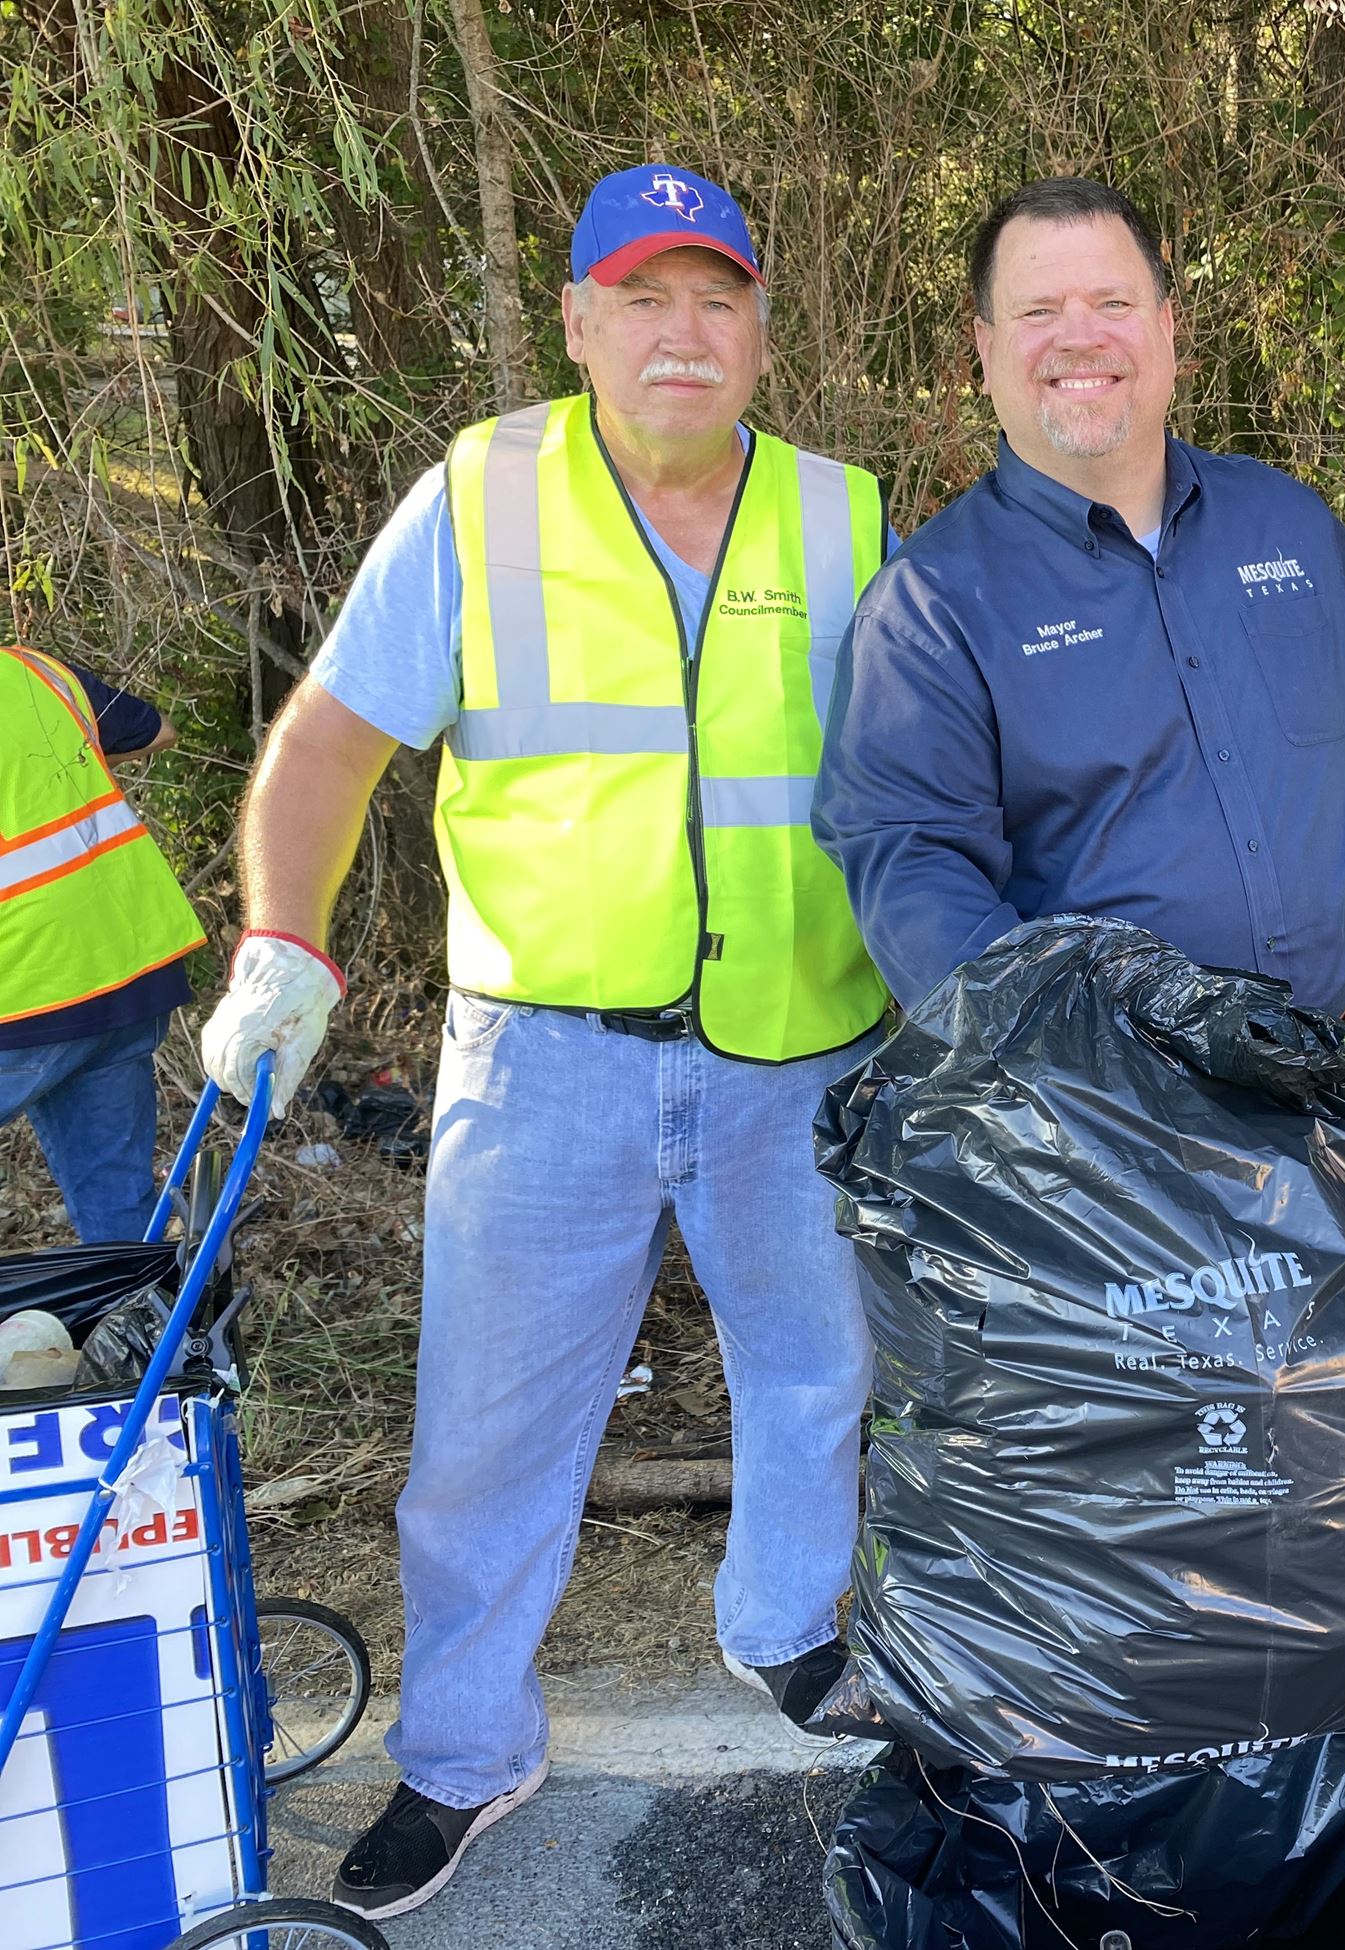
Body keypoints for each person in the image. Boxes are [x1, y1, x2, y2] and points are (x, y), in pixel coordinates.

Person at [196, 164, 890, 1920]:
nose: (683, 333)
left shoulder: (845, 517)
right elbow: (329, 741)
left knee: (815, 1373)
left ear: (760, 329)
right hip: (544, 1058)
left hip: (797, 1046)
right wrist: (282, 941)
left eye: (717, 298)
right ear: (578, 322)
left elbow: (934, 772)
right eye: (642, 298)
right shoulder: (481, 496)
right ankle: (463, 1751)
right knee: (490, 1432)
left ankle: (783, 1629)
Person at [813, 177, 1345, 1025]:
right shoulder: (930, 608)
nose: (1080, 337)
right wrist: (1084, 1066)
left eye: (1113, 302)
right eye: (1038, 310)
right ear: (986, 345)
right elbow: (919, 884)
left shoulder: (1278, 519)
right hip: (1121, 1100)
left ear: (1166, 326)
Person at [0, 647, 200, 1241]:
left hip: (28, 991)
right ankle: (143, 1301)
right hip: (127, 972)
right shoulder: (33, 672)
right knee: (117, 1208)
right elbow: (159, 731)